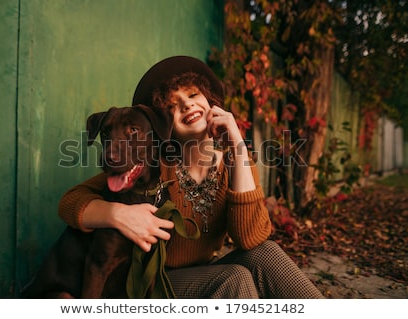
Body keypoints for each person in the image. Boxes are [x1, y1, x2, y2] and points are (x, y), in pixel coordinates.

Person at [58, 56, 324, 298]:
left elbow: (251, 239)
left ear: (210, 102)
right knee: (233, 278)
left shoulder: (237, 161)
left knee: (267, 253)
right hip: (152, 282)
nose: (187, 104)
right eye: (172, 105)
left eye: (193, 94)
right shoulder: (151, 166)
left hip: (204, 274)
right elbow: (70, 202)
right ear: (163, 127)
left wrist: (237, 146)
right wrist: (119, 214)